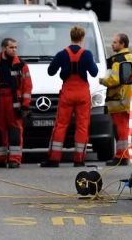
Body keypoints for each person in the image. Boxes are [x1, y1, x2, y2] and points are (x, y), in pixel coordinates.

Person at [41, 26, 98, 167]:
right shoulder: (87, 54)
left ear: (71, 37)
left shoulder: (62, 54)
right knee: (82, 126)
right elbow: (94, 72)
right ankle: (79, 159)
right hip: (82, 93)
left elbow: (50, 71)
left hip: (67, 93)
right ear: (82, 38)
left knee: (60, 125)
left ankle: (54, 159)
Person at [0, 38, 32, 168]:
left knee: (15, 130)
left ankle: (14, 159)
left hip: (14, 101)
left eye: (15, 47)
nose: (14, 50)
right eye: (11, 47)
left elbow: (27, 86)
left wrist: (26, 104)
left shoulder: (21, 65)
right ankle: (0, 158)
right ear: (4, 48)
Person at [100, 33, 132, 166]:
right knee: (125, 128)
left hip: (119, 100)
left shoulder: (118, 59)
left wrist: (102, 81)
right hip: (129, 98)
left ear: (122, 44)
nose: (112, 44)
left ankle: (121, 156)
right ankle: (124, 154)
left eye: (115, 42)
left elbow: (114, 79)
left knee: (120, 129)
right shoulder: (131, 57)